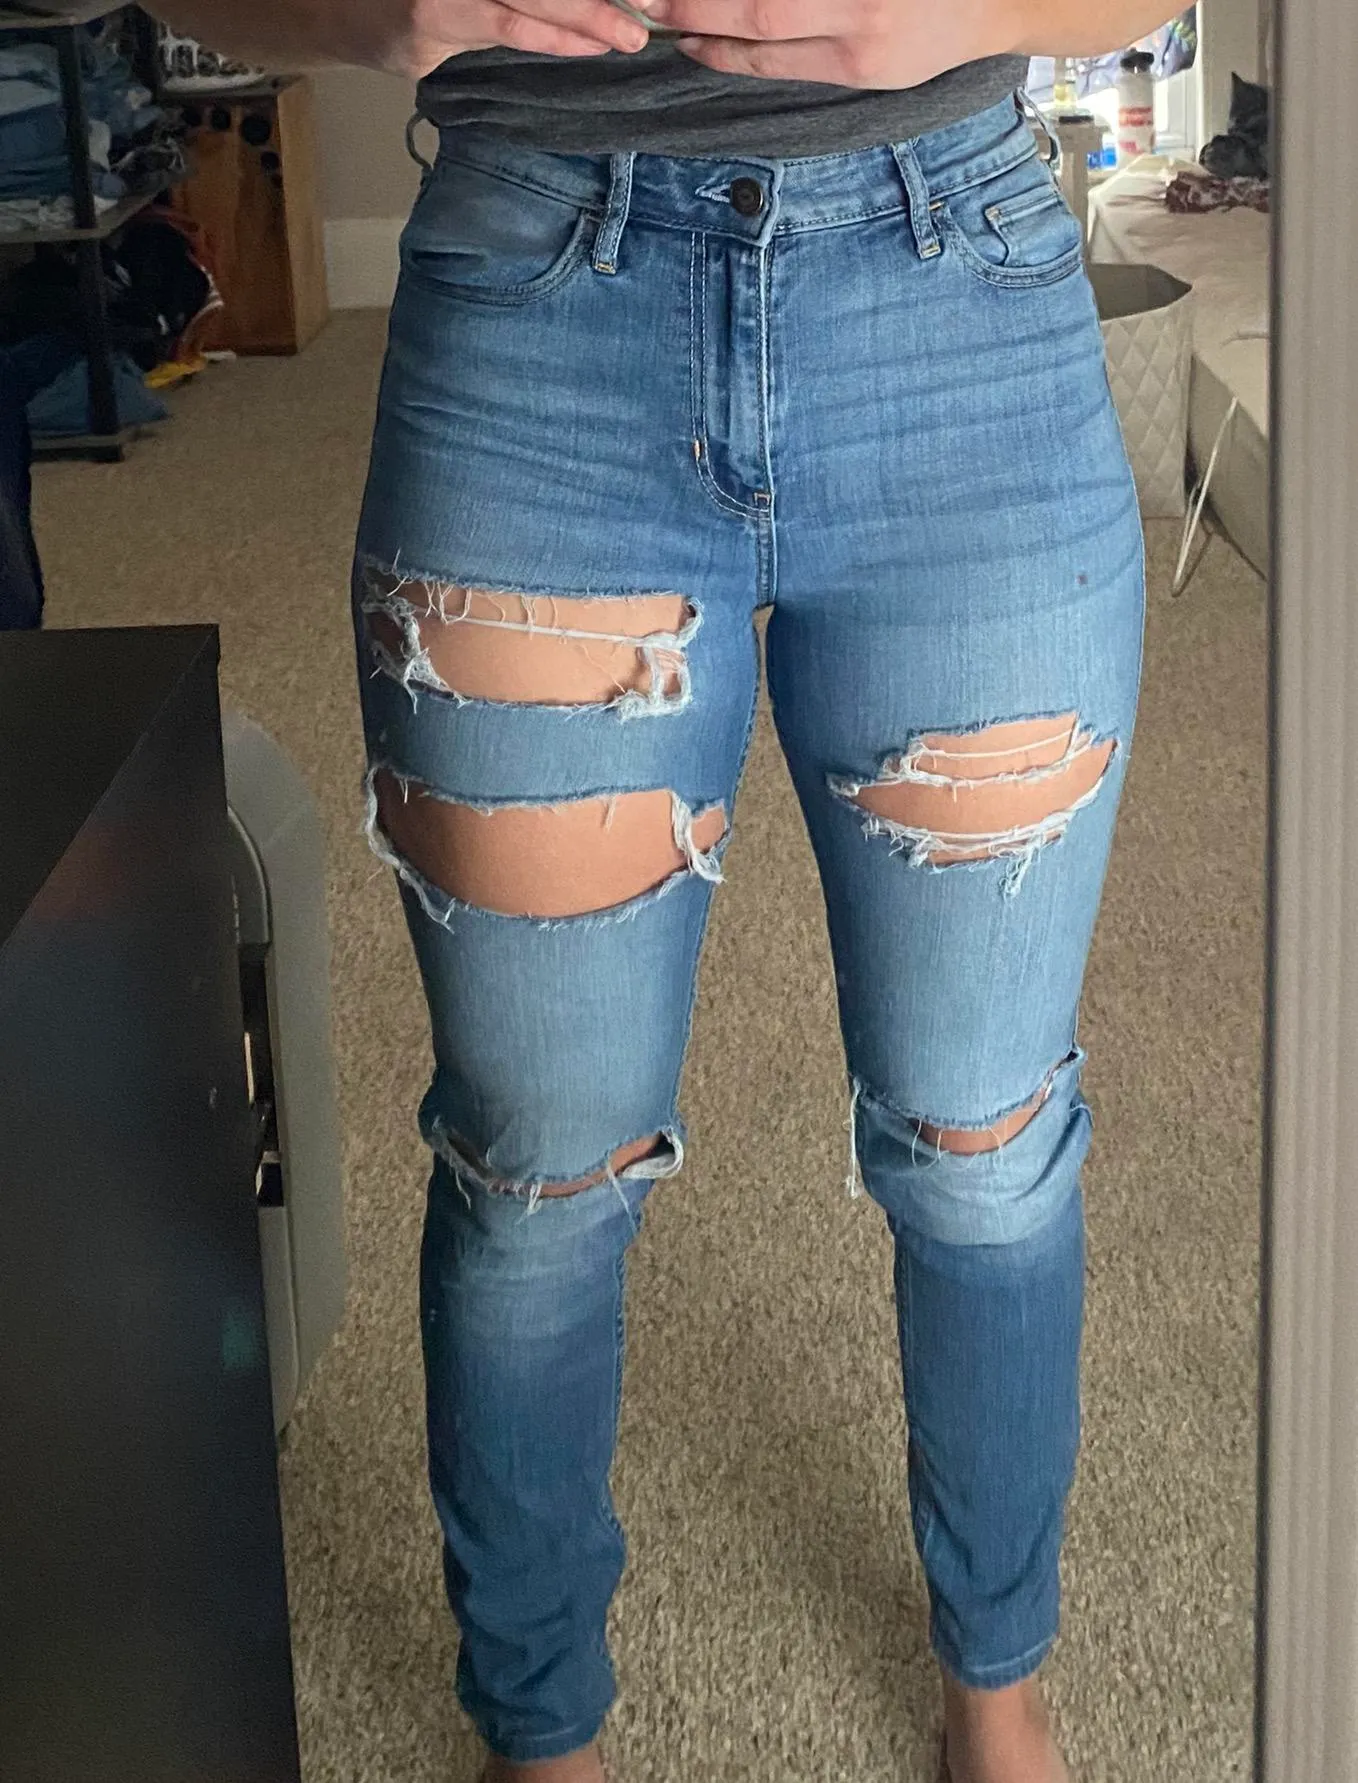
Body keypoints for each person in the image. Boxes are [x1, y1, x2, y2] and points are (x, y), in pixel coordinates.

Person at [158, 3, 1172, 1777]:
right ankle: (540, 1729)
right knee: (537, 1162)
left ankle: (998, 1677)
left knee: (981, 1140)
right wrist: (361, 13)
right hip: (537, 326)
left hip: (959, 318)